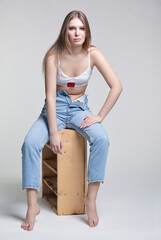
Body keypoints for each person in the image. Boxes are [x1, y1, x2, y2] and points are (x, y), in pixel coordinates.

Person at [21, 10, 123, 231]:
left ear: (87, 32)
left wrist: (100, 116)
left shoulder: (93, 54)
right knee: (29, 144)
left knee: (102, 139)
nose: (77, 33)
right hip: (54, 108)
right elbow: (49, 95)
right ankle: (32, 207)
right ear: (65, 31)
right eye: (72, 28)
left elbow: (117, 86)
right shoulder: (53, 55)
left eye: (81, 28)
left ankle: (91, 199)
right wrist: (54, 132)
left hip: (79, 109)